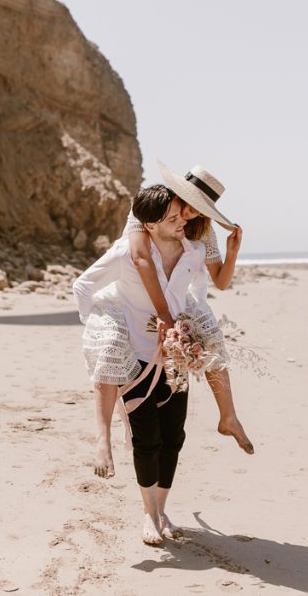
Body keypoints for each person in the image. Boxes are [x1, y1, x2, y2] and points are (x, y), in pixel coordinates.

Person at [73, 185, 205, 545]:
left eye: (182, 215)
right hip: (137, 360)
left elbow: (198, 295)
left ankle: (162, 510)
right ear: (149, 225)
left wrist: (190, 328)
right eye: (173, 219)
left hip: (175, 358)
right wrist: (101, 324)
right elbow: (83, 286)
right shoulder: (125, 254)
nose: (182, 222)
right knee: (148, 442)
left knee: (174, 439)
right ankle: (149, 516)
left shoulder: (192, 253)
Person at [125, 162, 253, 454]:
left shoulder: (203, 231)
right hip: (142, 284)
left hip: (180, 291)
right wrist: (165, 316)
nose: (187, 214)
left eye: (197, 210)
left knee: (210, 332)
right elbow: (140, 258)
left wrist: (233, 253)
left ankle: (228, 416)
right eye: (187, 204)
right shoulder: (149, 208)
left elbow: (220, 281)